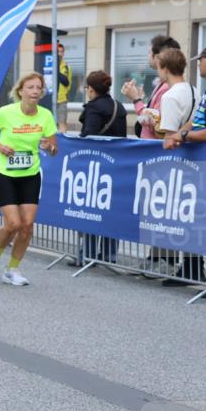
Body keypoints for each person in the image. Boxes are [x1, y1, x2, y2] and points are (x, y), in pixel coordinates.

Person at [0, 72, 58, 286]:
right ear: (21, 91)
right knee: (13, 223)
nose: (34, 91)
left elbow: (54, 148)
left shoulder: (46, 116)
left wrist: (49, 147)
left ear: (42, 92)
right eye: (30, 87)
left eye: (38, 87)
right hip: (4, 174)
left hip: (30, 175)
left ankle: (12, 269)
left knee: (27, 225)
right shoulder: (6, 112)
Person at [151, 47, 203, 287]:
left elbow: (169, 134)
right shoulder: (195, 89)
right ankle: (192, 267)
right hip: (197, 158)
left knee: (179, 215)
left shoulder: (170, 96)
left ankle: (183, 266)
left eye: (159, 67)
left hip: (179, 160)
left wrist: (156, 123)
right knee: (192, 215)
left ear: (165, 68)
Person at [72, 70, 125, 266]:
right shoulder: (118, 106)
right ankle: (110, 253)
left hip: (95, 167)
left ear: (91, 89)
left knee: (91, 209)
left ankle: (89, 253)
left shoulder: (94, 108)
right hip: (116, 166)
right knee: (111, 210)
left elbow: (89, 136)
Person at [122, 35, 181, 139]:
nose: (148, 56)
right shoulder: (162, 84)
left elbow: (154, 122)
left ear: (158, 57)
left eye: (150, 52)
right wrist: (139, 99)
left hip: (155, 149)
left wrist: (136, 100)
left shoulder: (167, 87)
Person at [55, 42, 72, 134]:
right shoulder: (49, 65)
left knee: (62, 123)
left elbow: (68, 84)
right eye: (57, 51)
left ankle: (62, 143)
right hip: (50, 99)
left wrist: (64, 95)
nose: (59, 53)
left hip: (62, 100)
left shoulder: (67, 67)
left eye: (61, 51)